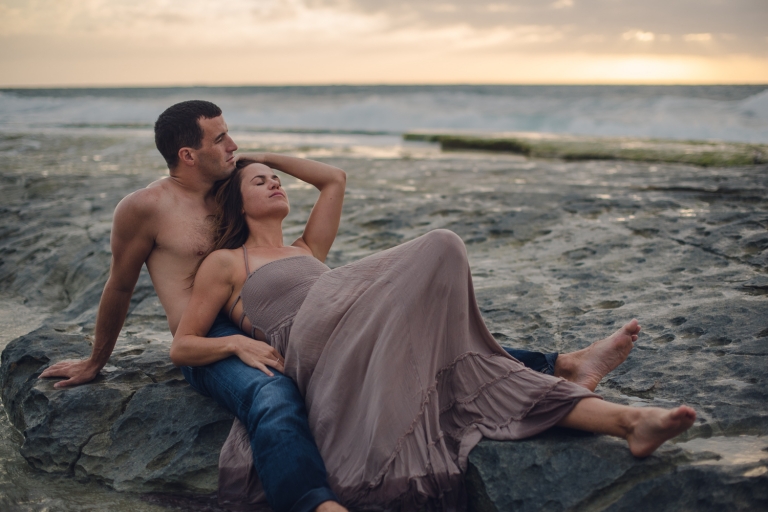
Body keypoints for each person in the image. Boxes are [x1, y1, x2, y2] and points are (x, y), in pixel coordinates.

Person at [37, 100, 632, 511]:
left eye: (232, 136)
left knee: (401, 335)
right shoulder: (146, 206)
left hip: (265, 308)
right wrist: (96, 361)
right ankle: (312, 503)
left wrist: (256, 162)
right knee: (273, 397)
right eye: (220, 139)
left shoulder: (236, 195)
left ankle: (558, 364)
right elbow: (118, 285)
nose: (233, 144)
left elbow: (327, 183)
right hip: (207, 336)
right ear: (187, 153)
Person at [171, 157, 696, 509]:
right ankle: (563, 362)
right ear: (237, 205)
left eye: (276, 178)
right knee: (441, 244)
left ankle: (630, 422)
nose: (276, 183)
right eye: (259, 182)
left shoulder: (308, 251)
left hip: (355, 336)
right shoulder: (227, 261)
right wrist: (235, 342)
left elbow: (332, 179)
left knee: (471, 373)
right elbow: (183, 344)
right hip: (309, 346)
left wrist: (266, 157)